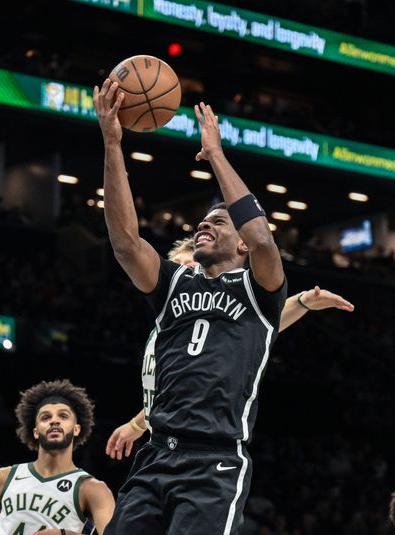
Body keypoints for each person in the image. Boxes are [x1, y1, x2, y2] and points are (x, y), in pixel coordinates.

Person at [94, 79, 288, 534]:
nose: (204, 225)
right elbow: (125, 243)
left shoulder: (260, 291)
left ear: (241, 242)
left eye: (218, 221)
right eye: (202, 221)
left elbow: (263, 238)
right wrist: (112, 144)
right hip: (156, 453)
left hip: (214, 461)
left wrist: (216, 155)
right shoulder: (173, 282)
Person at [106, 237, 354, 459]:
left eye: (190, 268)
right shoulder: (167, 325)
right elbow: (171, 392)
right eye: (176, 267)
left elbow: (255, 326)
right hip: (160, 444)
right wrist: (138, 424)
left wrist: (301, 302)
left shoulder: (204, 320)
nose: (182, 273)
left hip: (198, 449)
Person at [0, 380, 115, 535]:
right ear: (36, 432)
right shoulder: (4, 478)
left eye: (63, 416)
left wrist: (63, 534)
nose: (54, 421)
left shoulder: (93, 489)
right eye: (45, 417)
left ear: (76, 429)